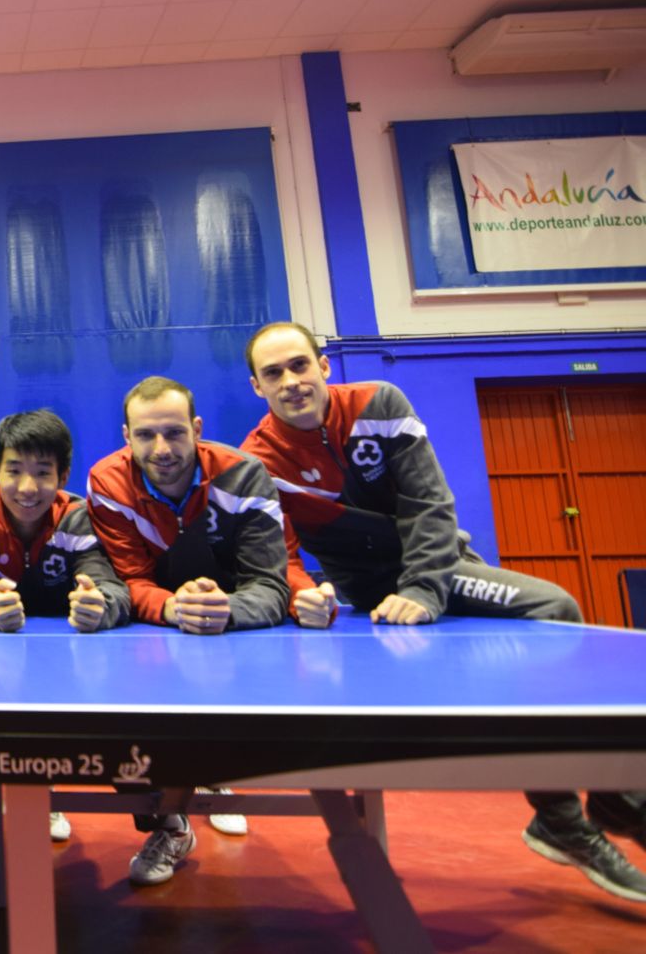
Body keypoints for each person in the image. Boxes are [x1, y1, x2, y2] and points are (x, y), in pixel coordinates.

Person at [240, 320, 646, 903]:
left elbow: (430, 505)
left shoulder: (379, 403)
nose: (291, 381)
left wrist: (424, 592)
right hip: (370, 596)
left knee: (553, 609)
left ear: (324, 365)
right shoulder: (259, 461)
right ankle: (577, 812)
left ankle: (596, 802)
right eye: (274, 373)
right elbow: (281, 551)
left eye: (300, 365)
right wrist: (303, 589)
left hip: (434, 571)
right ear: (257, 387)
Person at [86, 376, 290, 887]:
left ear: (196, 430)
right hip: (156, 620)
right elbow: (129, 578)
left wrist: (229, 610)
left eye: (175, 433)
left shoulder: (244, 476)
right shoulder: (107, 483)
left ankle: (216, 775)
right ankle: (171, 825)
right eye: (146, 435)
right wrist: (174, 608)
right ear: (127, 436)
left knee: (216, 717)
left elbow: (270, 583)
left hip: (228, 619)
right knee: (125, 729)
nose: (162, 449)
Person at [0, 409, 131, 876]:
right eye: (14, 471)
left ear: (63, 475)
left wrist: (99, 605)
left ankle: (42, 797)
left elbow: (112, 586)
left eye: (43, 473)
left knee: (60, 726)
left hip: (59, 657)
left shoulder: (80, 517)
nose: (28, 488)